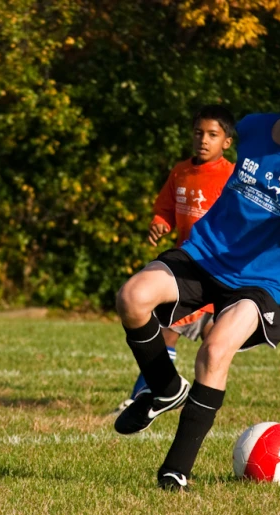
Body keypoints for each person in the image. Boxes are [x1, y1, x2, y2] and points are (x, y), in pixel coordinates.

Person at [113, 36, 280, 491]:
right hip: (206, 254)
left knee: (215, 350)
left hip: (262, 280)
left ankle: (176, 470)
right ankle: (164, 387)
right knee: (132, 297)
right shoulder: (255, 127)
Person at [115, 105, 236, 413]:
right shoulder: (181, 171)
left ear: (227, 142)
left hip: (222, 272)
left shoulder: (232, 177)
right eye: (199, 133)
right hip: (186, 271)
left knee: (214, 346)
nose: (203, 140)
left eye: (212, 135)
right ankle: (146, 395)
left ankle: (199, 403)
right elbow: (166, 208)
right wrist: (160, 222)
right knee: (166, 331)